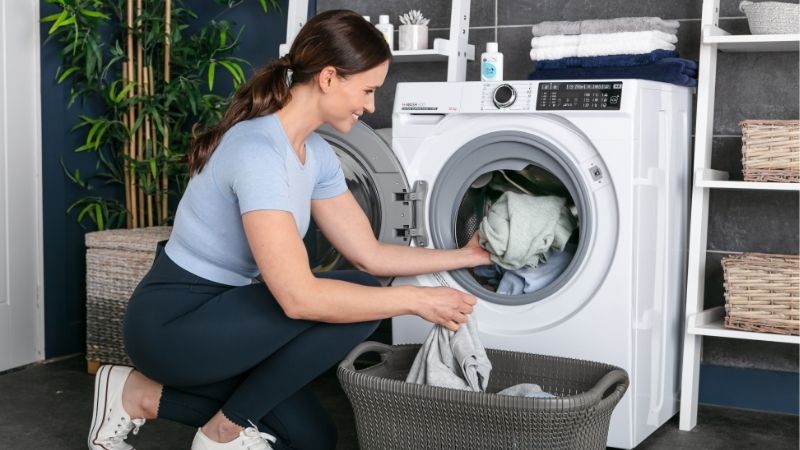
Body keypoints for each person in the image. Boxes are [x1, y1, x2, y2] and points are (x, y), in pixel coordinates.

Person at [87, 9, 490, 450]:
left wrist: (466, 255)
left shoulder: (315, 154)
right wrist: (416, 300)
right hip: (175, 326)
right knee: (364, 299)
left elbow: (369, 254)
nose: (371, 106)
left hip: (230, 316)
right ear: (329, 78)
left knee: (314, 440)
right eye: (368, 90)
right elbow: (298, 299)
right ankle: (223, 430)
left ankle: (137, 394)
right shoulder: (260, 152)